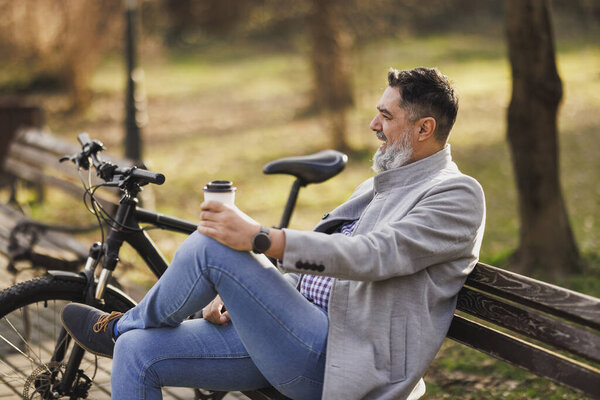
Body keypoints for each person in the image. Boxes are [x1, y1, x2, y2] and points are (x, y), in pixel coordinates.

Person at [61, 67, 485, 400]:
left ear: (424, 129)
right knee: (138, 353)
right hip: (291, 336)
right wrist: (243, 298)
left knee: (213, 242)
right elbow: (322, 271)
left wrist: (263, 238)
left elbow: (373, 255)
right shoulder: (385, 180)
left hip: (340, 360)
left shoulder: (456, 194)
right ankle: (126, 334)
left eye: (386, 116)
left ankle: (118, 328)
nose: (373, 124)